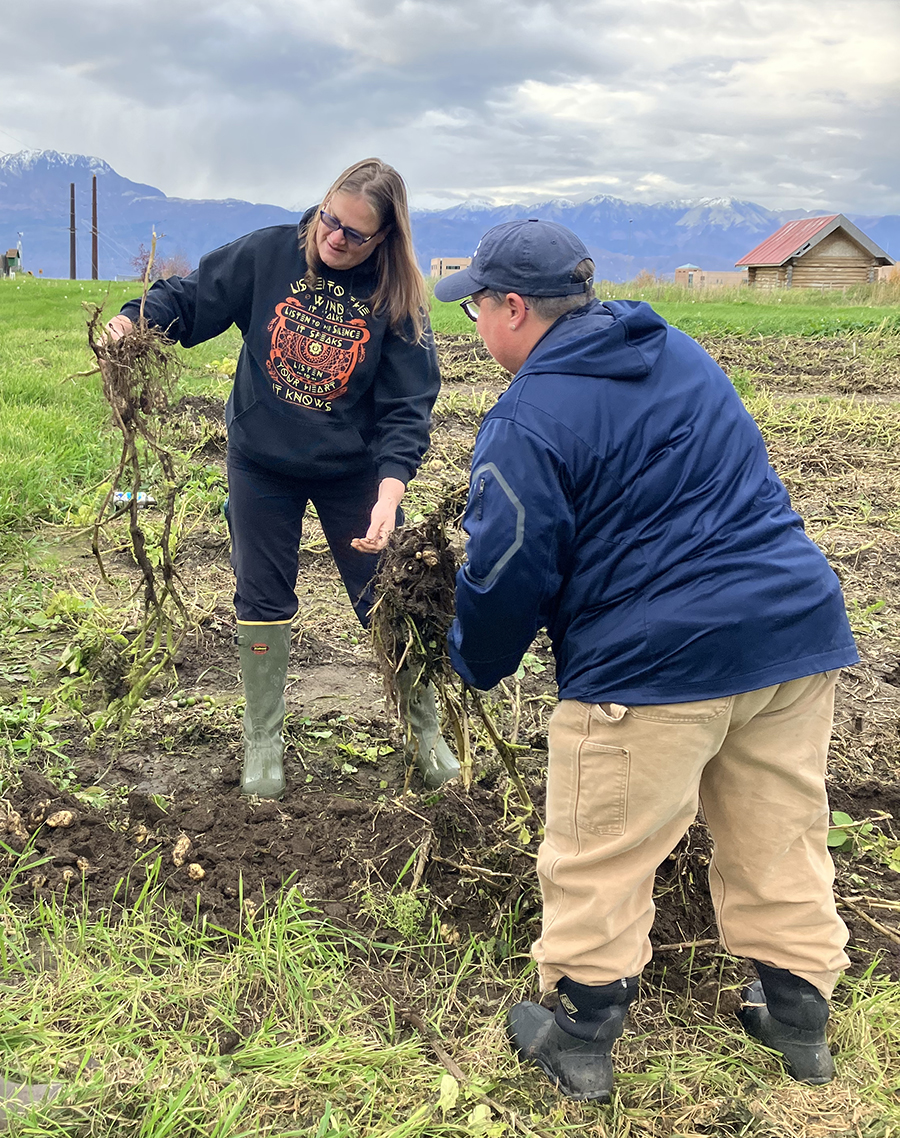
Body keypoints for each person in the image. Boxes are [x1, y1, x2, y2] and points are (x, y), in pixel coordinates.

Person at [434, 219, 858, 1102]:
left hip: (654, 663)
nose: (474, 323)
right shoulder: (678, 352)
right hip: (790, 631)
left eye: (476, 305)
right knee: (778, 825)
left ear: (516, 308)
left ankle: (579, 1033)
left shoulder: (529, 415)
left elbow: (511, 562)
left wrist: (472, 658)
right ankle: (798, 1017)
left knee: (600, 844)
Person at [107, 158, 459, 797]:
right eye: (330, 219)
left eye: (354, 234)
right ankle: (263, 737)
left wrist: (389, 494)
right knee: (262, 596)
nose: (334, 238)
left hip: (351, 472)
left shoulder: (396, 298)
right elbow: (191, 297)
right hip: (261, 462)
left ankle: (421, 731)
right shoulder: (270, 254)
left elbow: (408, 405)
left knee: (390, 593)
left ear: (384, 239)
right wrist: (136, 321)